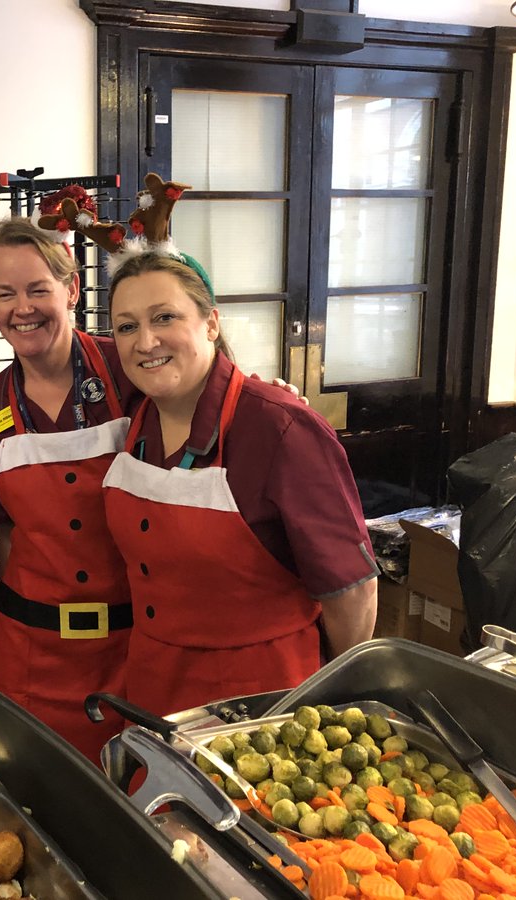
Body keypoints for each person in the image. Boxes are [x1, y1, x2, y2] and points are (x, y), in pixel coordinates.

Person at [103, 251, 378, 717]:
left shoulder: (279, 428)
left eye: (164, 317)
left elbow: (352, 592)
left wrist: (327, 697)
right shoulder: (133, 416)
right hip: (154, 690)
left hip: (262, 704)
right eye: (126, 326)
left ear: (211, 323)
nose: (145, 341)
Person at [0, 215, 134, 762]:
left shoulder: (129, 367)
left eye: (38, 289)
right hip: (30, 650)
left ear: (72, 288)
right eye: (4, 293)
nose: (23, 308)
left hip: (131, 644)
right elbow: (6, 528)